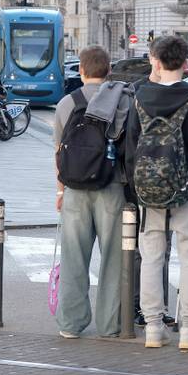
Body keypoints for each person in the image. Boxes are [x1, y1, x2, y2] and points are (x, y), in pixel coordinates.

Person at [125, 35, 188, 350]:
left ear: (156, 61)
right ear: (186, 64)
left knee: (151, 256)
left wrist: (134, 188)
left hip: (149, 192)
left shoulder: (140, 97)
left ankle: (153, 327)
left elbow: (130, 149)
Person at [54, 46, 133, 339]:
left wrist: (60, 191)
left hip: (74, 189)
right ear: (109, 70)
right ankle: (110, 324)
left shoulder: (66, 103)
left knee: (74, 256)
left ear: (82, 71)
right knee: (113, 259)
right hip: (111, 187)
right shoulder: (123, 101)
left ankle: (70, 324)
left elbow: (59, 152)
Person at [129, 51, 176, 329]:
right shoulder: (137, 92)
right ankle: (139, 305)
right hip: (141, 185)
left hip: (169, 185)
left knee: (164, 249)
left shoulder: (174, 93)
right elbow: (129, 142)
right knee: (141, 250)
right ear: (152, 60)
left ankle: (159, 306)